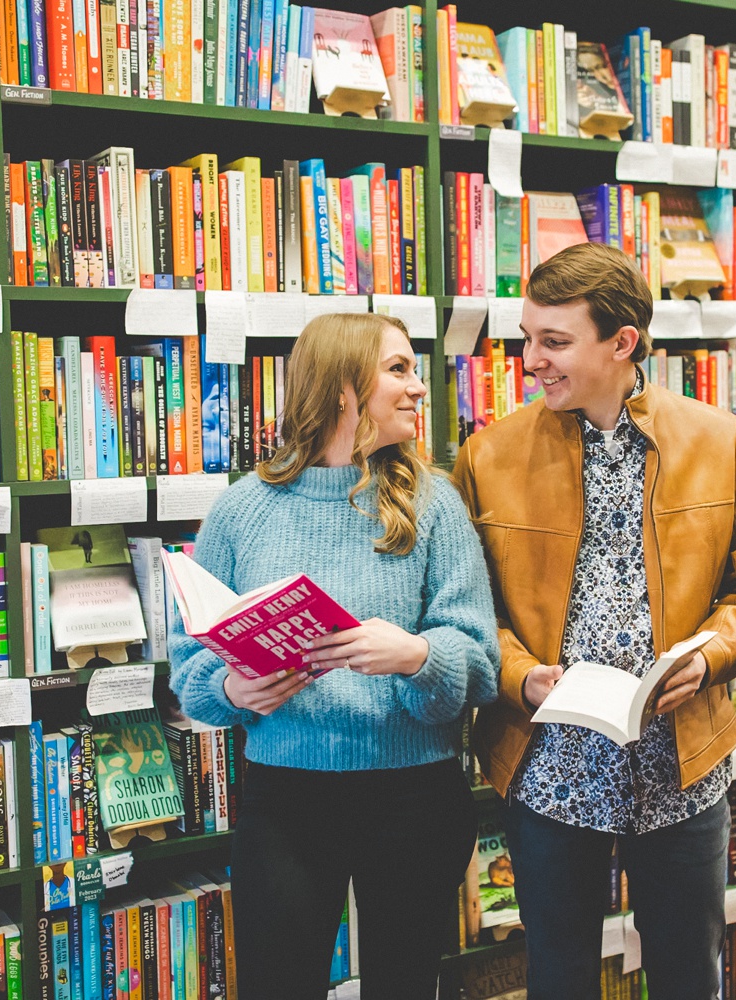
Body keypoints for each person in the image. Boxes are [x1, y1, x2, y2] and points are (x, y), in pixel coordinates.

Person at [453, 242, 736, 999]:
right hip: (548, 766)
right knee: (560, 975)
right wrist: (519, 676)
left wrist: (710, 658)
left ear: (622, 343)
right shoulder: (489, 457)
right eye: (527, 335)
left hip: (682, 761)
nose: (529, 359)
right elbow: (471, 611)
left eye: (553, 341)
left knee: (685, 973)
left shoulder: (720, 441)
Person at [170, 313, 499, 1000]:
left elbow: (477, 663)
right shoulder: (241, 511)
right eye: (398, 369)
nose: (418, 387)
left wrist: (416, 657)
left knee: (404, 986)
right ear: (343, 387)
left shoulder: (434, 505)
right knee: (277, 984)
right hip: (287, 801)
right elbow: (190, 674)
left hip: (416, 796)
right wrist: (234, 690)